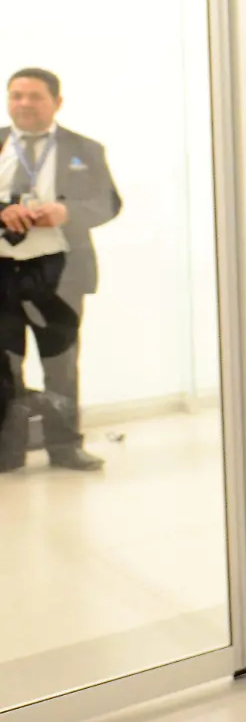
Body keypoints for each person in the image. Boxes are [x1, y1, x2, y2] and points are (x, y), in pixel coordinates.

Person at [0, 67, 121, 473]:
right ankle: (7, 451)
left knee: (61, 365)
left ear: (57, 102)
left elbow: (108, 204)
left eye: (34, 96)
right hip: (3, 273)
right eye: (16, 95)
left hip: (60, 272)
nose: (24, 104)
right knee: (3, 365)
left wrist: (67, 211)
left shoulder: (84, 149)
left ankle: (65, 447)